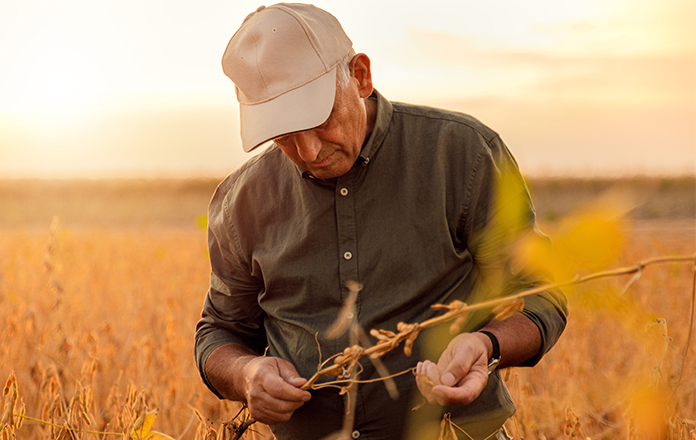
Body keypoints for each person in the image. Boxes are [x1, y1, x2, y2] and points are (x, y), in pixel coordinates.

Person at [194, 3, 567, 439]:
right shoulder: (241, 200)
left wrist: (486, 345)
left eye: (320, 119)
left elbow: (543, 295)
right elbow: (219, 332)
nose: (310, 151)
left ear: (360, 75)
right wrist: (246, 373)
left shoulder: (463, 153)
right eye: (284, 137)